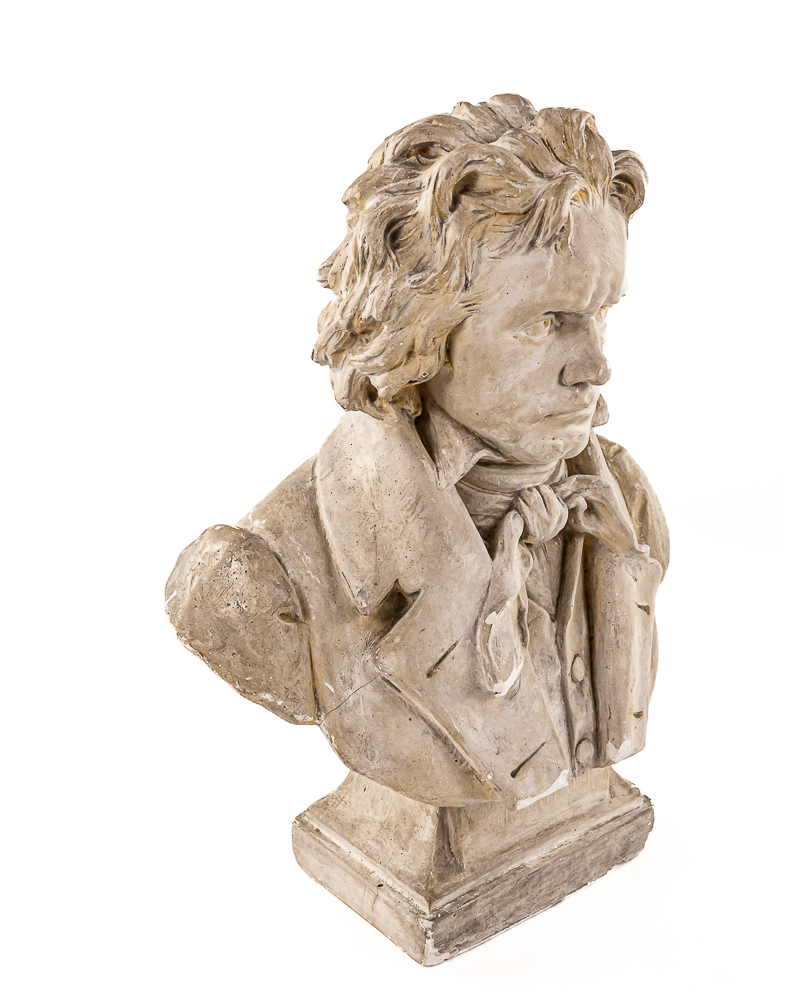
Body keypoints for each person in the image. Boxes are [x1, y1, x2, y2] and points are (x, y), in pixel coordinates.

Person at [166, 94, 669, 810]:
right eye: (547, 322)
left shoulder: (627, 502)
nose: (596, 366)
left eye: (602, 314)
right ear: (418, 332)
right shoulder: (254, 584)